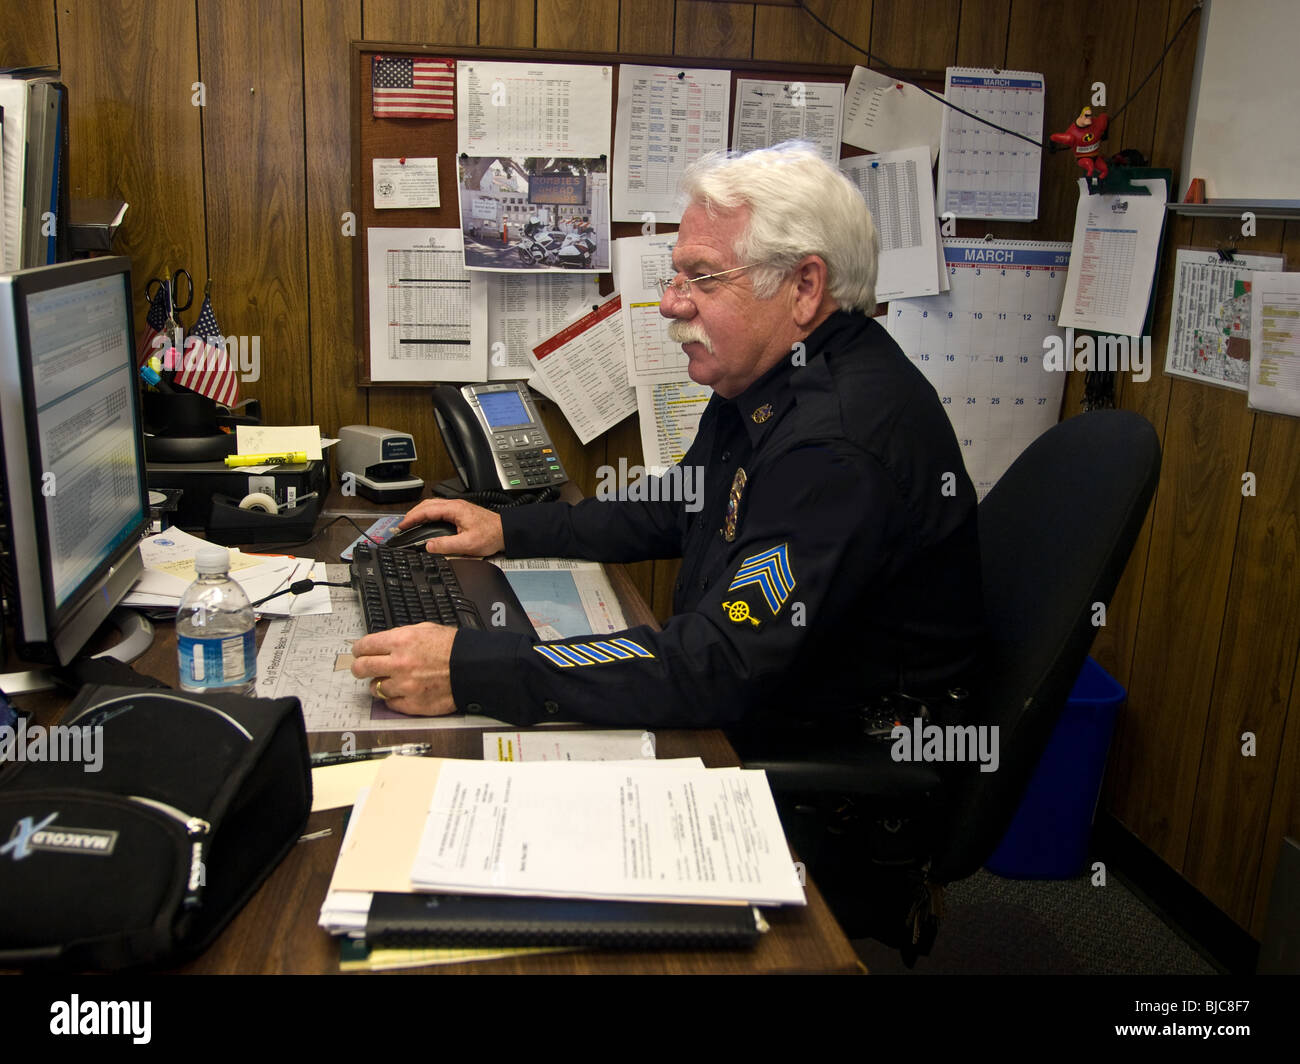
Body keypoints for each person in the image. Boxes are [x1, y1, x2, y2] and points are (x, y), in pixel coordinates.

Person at [351, 142, 983, 729]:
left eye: (703, 279)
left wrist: (474, 670)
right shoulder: (768, 382)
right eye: (675, 277)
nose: (673, 305)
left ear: (804, 287)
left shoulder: (834, 447)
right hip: (765, 696)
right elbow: (679, 504)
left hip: (835, 766)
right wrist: (507, 529)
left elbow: (720, 663)